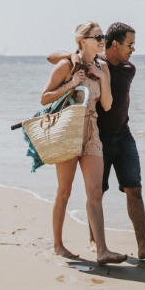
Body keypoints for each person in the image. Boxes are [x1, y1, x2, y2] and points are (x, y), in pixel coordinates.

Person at [47, 22, 145, 259]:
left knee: (124, 188)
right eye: (130, 44)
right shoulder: (82, 61)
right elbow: (51, 61)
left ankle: (133, 247)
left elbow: (116, 101)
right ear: (115, 44)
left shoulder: (122, 68)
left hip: (115, 135)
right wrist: (74, 60)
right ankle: (80, 244)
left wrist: (104, 80)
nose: (133, 49)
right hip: (85, 133)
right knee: (82, 191)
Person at [41, 21, 127, 264]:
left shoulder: (103, 67)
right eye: (98, 36)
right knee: (64, 191)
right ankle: (58, 245)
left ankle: (102, 250)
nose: (103, 40)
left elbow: (107, 105)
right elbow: (44, 98)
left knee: (96, 192)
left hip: (92, 132)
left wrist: (102, 77)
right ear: (83, 40)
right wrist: (71, 83)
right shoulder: (66, 65)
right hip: (68, 130)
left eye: (104, 36)